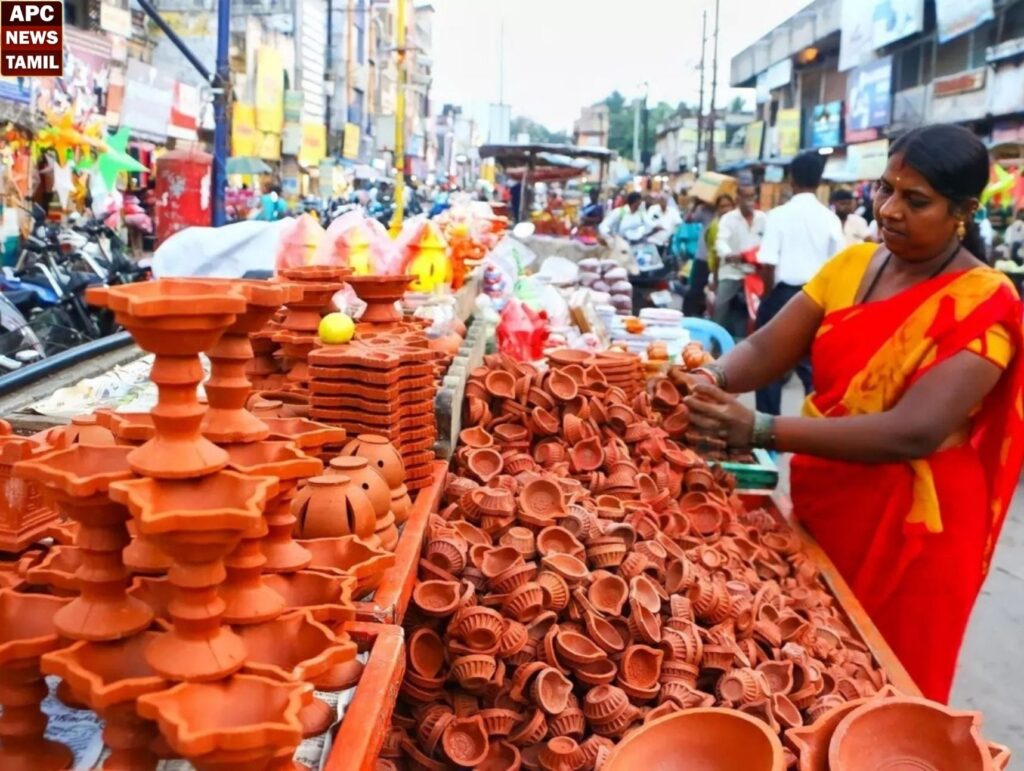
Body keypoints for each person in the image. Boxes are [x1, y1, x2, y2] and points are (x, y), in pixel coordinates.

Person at [682, 124, 1024, 703]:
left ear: (963, 211)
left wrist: (760, 428)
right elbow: (765, 348)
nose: (888, 210)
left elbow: (914, 431)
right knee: (811, 668)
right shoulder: (854, 264)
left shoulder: (985, 301)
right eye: (885, 189)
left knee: (886, 688)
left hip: (915, 531)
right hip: (830, 497)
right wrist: (709, 377)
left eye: (915, 200)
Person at [754, 152, 845, 415]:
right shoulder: (830, 218)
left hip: (782, 295)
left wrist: (767, 298)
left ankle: (766, 430)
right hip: (819, 298)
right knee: (813, 367)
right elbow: (838, 265)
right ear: (820, 180)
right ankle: (814, 424)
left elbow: (768, 263)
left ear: (791, 179)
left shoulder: (778, 215)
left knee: (768, 362)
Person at [713, 180, 766, 339]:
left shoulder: (763, 218)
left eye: (752, 196)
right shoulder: (728, 219)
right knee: (720, 307)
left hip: (755, 273)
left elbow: (769, 243)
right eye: (746, 197)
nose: (750, 200)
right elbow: (720, 242)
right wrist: (729, 254)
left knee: (765, 310)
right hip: (732, 271)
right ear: (738, 199)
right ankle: (714, 343)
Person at [684, 195, 732, 317]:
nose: (725, 209)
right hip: (703, 259)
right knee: (695, 291)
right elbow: (688, 219)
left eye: (728, 206)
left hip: (723, 264)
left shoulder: (735, 221)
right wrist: (696, 203)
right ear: (717, 207)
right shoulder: (705, 210)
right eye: (722, 206)